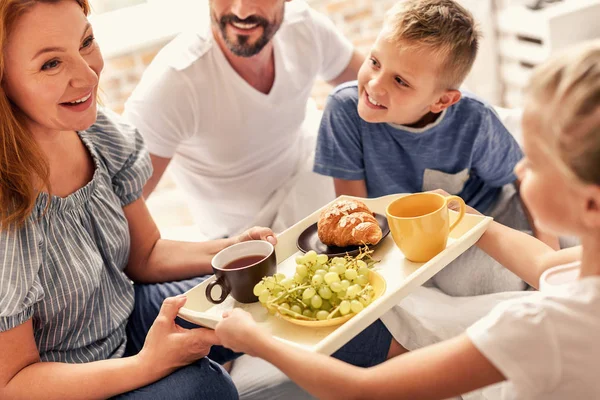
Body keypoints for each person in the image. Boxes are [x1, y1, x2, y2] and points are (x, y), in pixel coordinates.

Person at [215, 39, 600, 400]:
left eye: (534, 163)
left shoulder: (542, 325)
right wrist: (462, 214)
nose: (518, 170)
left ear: (590, 205)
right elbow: (546, 264)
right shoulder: (583, 280)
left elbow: (363, 390)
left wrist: (257, 342)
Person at [0, 1, 276, 398]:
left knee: (252, 290)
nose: (87, 73)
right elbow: (12, 384)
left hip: (127, 323)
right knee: (204, 387)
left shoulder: (98, 134)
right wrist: (147, 366)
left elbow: (145, 256)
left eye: (86, 42)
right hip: (63, 382)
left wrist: (231, 250)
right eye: (51, 64)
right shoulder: (9, 214)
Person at [313, 0, 578, 299]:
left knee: (576, 242)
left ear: (442, 101)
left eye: (400, 81)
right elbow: (356, 210)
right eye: (374, 62)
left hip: (495, 211)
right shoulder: (343, 109)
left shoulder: (474, 119)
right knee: (467, 280)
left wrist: (548, 253)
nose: (374, 85)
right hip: (441, 239)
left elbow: (522, 180)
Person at [123, 0, 364, 241]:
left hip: (320, 183)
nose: (241, 11)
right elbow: (118, 211)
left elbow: (378, 91)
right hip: (253, 238)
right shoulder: (173, 81)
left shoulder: (304, 26)